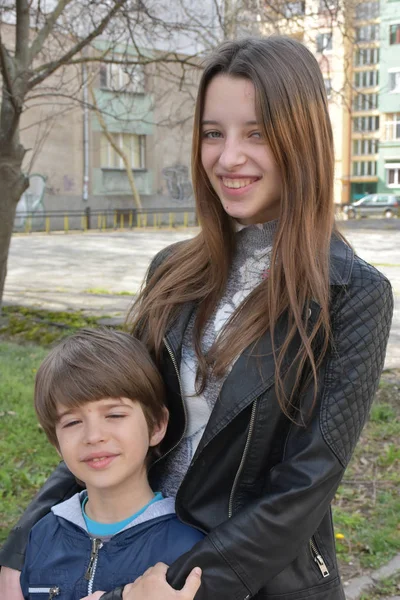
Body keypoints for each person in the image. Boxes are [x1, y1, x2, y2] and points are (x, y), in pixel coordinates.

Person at [0, 35, 394, 600]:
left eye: (255, 133)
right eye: (213, 133)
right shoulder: (174, 271)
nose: (227, 157)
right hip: (134, 558)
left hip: (252, 581)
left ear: (301, 138)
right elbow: (110, 418)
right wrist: (21, 549)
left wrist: (180, 586)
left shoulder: (352, 294)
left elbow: (305, 484)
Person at [18, 328, 203, 600]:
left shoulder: (187, 545)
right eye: (72, 422)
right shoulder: (43, 535)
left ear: (157, 426)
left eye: (114, 414)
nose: (93, 436)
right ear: (56, 443)